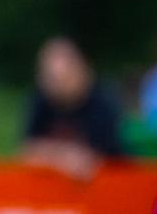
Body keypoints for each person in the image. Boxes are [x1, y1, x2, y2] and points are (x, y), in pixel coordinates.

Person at [21, 37, 123, 180]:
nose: (55, 87)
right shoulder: (41, 100)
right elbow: (27, 151)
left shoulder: (102, 104)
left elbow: (102, 159)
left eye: (62, 79)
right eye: (50, 78)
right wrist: (63, 157)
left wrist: (49, 154)